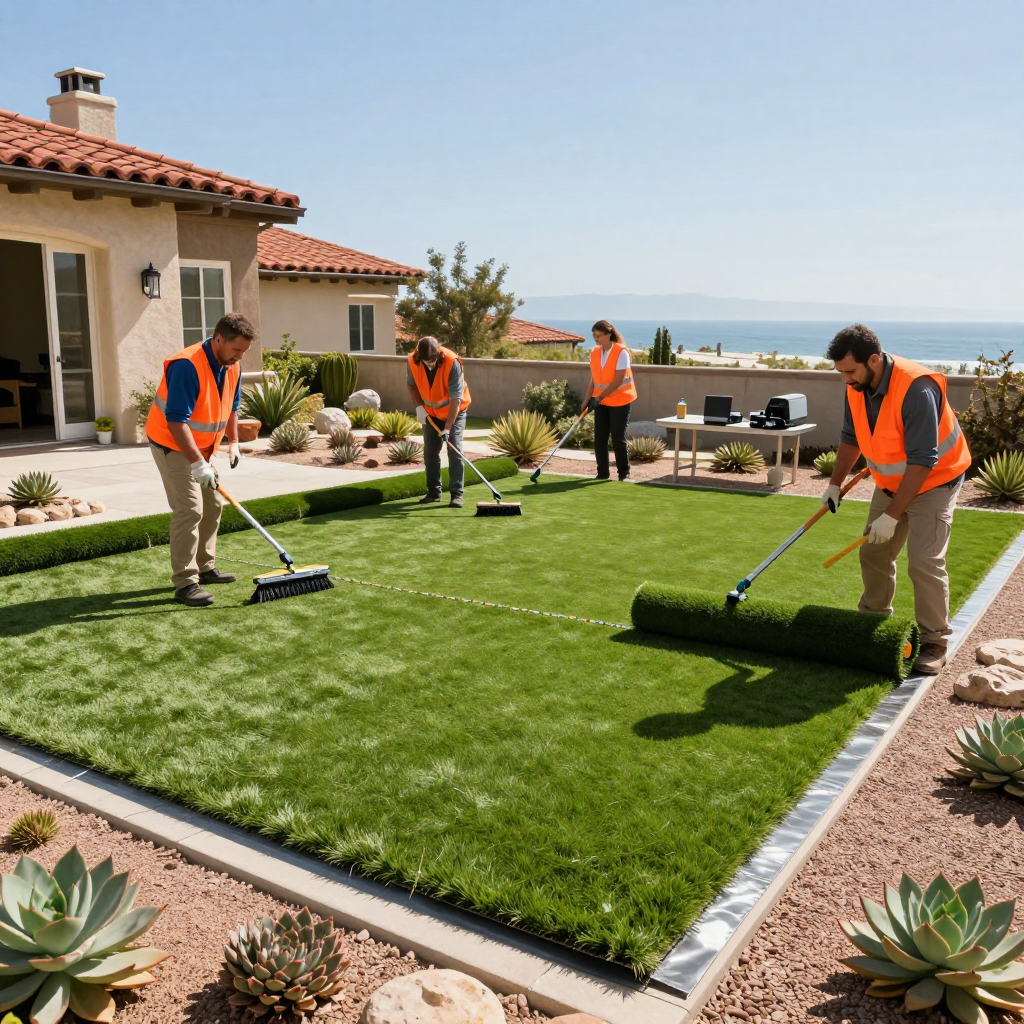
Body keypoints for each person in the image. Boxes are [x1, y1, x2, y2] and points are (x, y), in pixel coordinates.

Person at [821, 324, 971, 674]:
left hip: (935, 482)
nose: (844, 379)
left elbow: (922, 460)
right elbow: (850, 437)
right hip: (890, 481)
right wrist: (833, 484)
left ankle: (934, 641)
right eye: (839, 372)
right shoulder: (855, 385)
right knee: (873, 551)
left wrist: (892, 514)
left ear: (873, 360)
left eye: (849, 371)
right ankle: (873, 623)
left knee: (924, 561)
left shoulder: (916, 389)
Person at [146, 313, 255, 607]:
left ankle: (206, 568)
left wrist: (233, 443)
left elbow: (232, 406)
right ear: (219, 339)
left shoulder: (232, 364)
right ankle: (185, 582)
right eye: (236, 349)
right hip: (171, 443)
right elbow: (176, 421)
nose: (240, 356)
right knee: (190, 509)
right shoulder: (186, 365)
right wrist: (197, 464)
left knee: (213, 504)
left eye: (244, 351)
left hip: (202, 447)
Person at [406, 336, 472, 508]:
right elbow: (411, 385)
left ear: (438, 354)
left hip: (454, 412)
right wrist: (418, 407)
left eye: (433, 360)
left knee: (454, 449)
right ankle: (434, 492)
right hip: (430, 413)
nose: (430, 364)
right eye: (426, 361)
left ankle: (457, 494)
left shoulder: (452, 362)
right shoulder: (412, 361)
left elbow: (456, 399)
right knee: (430, 451)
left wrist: (448, 427)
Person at [583, 320, 637, 481]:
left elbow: (618, 380)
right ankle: (602, 473)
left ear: (608, 334)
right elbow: (594, 379)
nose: (596, 339)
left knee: (617, 437)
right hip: (602, 402)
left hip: (620, 400)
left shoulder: (621, 352)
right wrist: (586, 400)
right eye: (594, 336)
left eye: (598, 335)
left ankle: (623, 472)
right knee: (600, 438)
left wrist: (598, 397)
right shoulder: (595, 353)